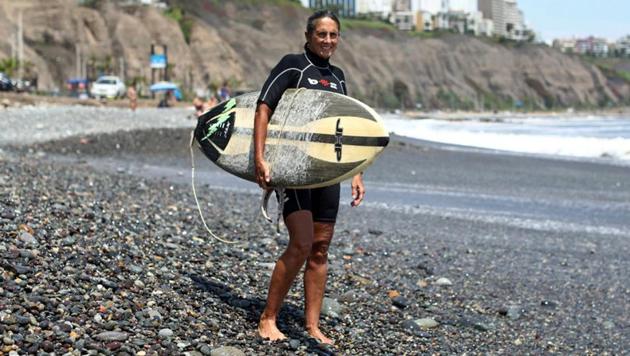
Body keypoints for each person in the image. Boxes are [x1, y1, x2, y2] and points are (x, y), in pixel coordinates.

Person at [254, 10, 365, 345]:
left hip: (327, 173)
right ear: (309, 35)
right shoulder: (292, 65)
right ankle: (267, 318)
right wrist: (260, 157)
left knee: (320, 249)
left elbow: (345, 128)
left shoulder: (339, 76)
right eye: (321, 34)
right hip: (296, 171)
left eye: (333, 35)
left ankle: (312, 326)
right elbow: (263, 107)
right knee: (301, 243)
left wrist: (355, 172)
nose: (327, 40)